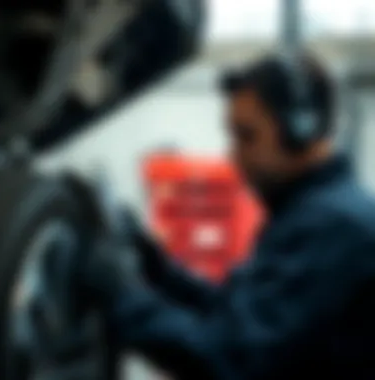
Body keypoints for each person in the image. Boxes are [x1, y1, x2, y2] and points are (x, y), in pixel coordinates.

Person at [84, 54, 375, 380]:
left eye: (247, 136)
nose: (233, 155)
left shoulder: (332, 227)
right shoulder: (315, 212)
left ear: (301, 130)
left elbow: (230, 360)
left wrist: (123, 298)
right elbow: (239, 317)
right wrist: (160, 271)